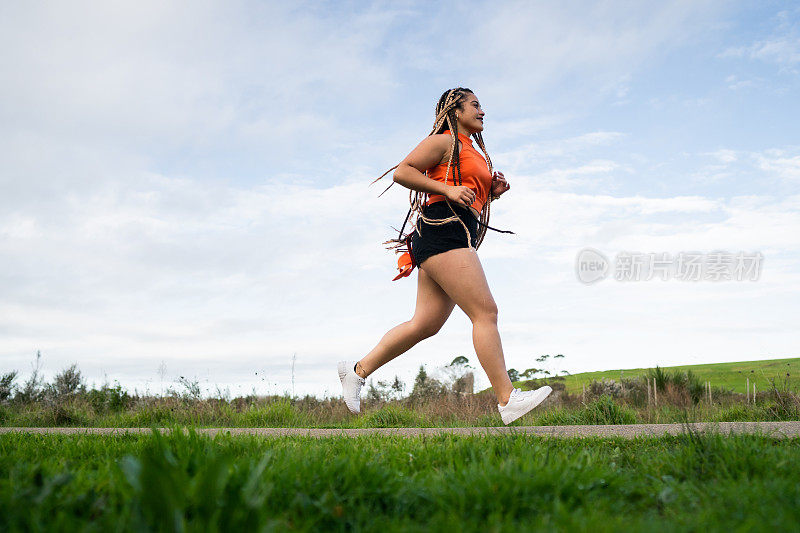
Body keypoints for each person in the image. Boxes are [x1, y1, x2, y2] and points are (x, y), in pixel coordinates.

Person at [338, 87, 551, 425]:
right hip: (442, 231)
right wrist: (448, 189)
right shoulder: (445, 140)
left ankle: (357, 371)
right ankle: (507, 399)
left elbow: (468, 198)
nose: (483, 112)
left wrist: (491, 194)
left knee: (425, 324)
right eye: (476, 106)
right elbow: (403, 171)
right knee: (485, 312)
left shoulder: (471, 150)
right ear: (456, 109)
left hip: (449, 232)